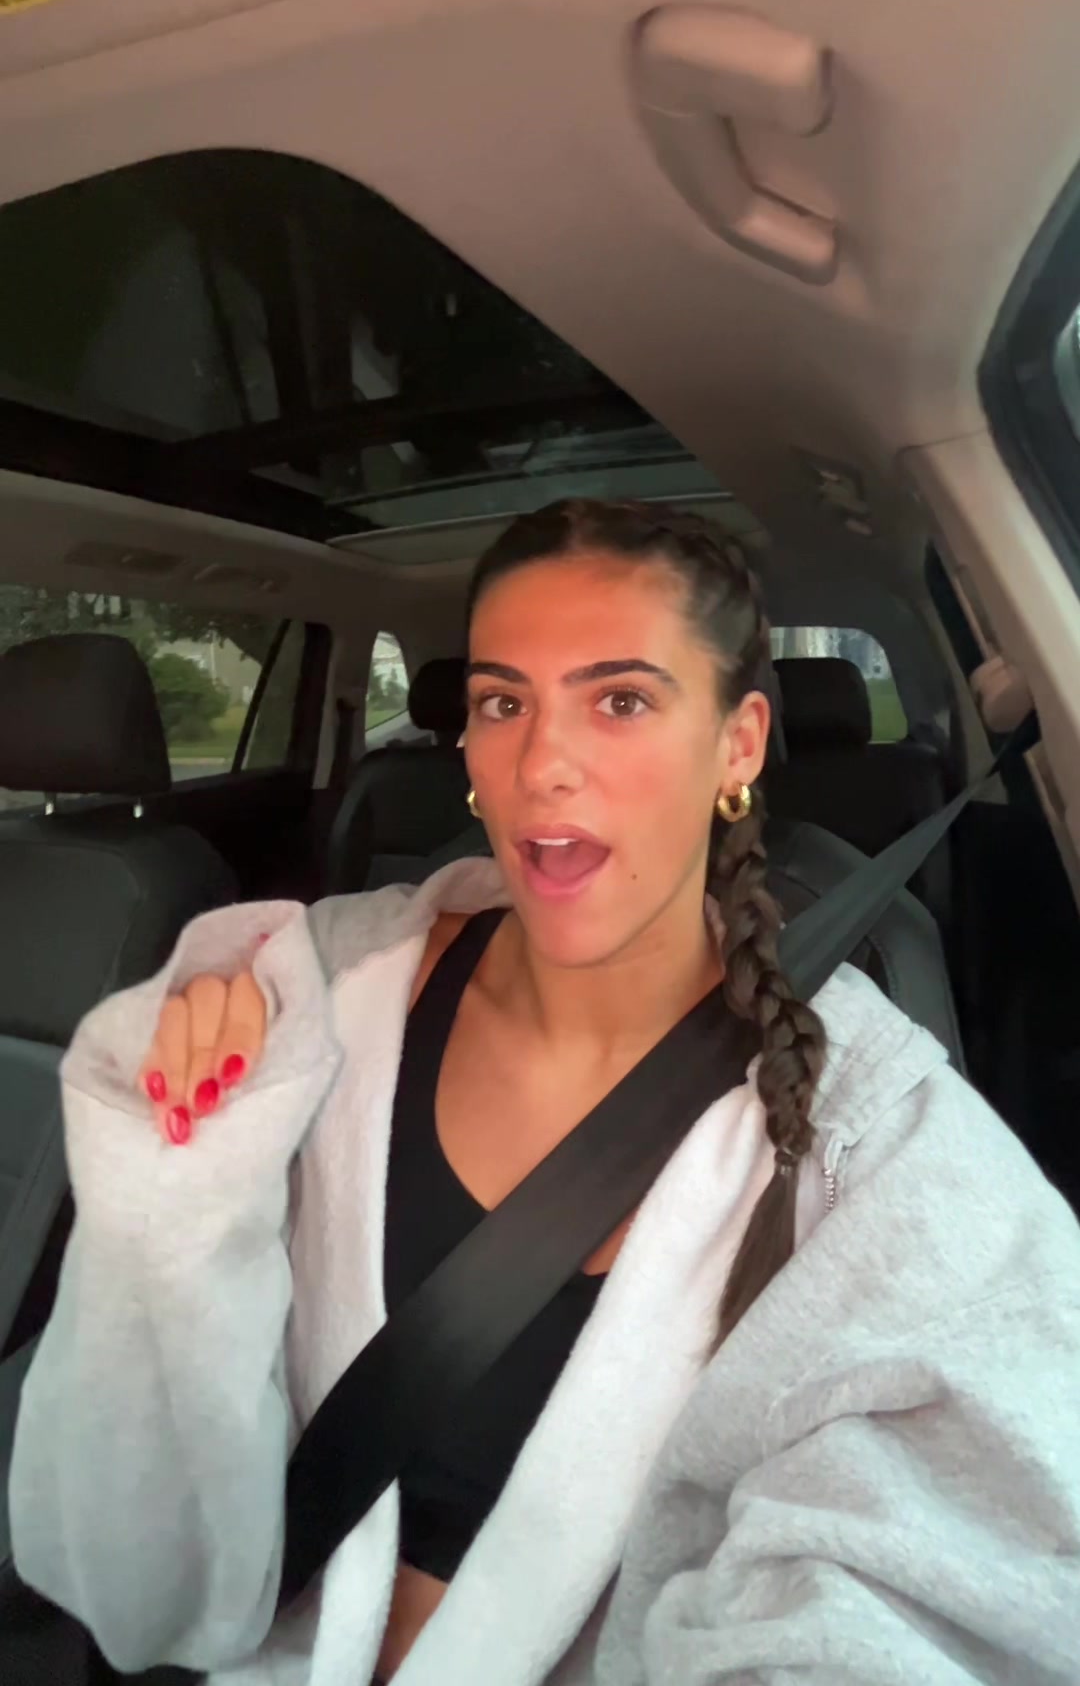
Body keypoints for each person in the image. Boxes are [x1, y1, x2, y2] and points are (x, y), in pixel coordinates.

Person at [10, 498, 1080, 1685]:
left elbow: (921, 1574)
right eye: (502, 703)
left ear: (738, 745)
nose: (541, 764)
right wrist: (178, 1196)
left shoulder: (881, 1138)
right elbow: (134, 1511)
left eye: (620, 701)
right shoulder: (314, 998)